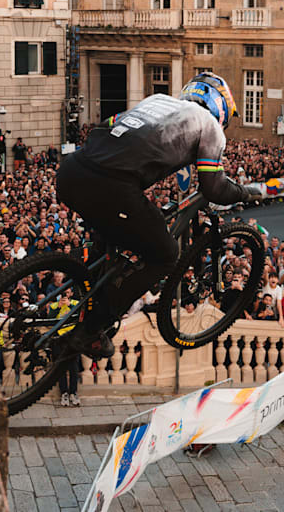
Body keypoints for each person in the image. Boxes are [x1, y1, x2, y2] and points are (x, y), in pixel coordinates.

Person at [55, 72, 263, 357]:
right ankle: (91, 330)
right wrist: (245, 192)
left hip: (71, 171)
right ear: (221, 106)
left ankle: (88, 291)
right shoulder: (210, 126)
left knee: (111, 238)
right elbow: (214, 188)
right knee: (166, 255)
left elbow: (106, 127)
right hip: (112, 186)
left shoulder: (157, 100)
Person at [48, 292, 82, 407]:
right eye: (63, 293)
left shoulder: (76, 303)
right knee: (60, 367)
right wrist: (58, 307)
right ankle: (64, 393)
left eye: (67, 293)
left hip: (73, 338)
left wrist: (70, 306)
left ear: (71, 293)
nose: (64, 296)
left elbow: (80, 316)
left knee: (74, 367)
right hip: (59, 339)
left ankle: (73, 392)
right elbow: (50, 319)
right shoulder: (53, 305)